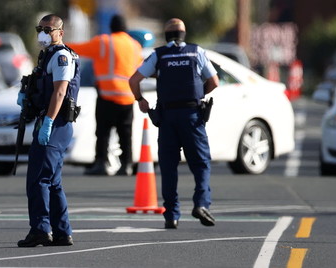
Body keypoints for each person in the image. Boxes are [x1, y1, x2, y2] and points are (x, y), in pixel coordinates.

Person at [128, 18, 219, 230]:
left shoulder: (159, 55)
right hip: (192, 116)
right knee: (201, 162)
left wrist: (140, 100)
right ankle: (201, 204)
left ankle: (171, 215)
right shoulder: (196, 52)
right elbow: (214, 81)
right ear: (183, 34)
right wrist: (198, 95)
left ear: (167, 35)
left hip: (167, 117)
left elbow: (133, 80)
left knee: (169, 168)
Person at [17, 14, 80, 248]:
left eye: (48, 29)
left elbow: (60, 92)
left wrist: (48, 122)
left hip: (56, 124)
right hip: (50, 123)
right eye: (40, 29)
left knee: (38, 179)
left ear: (60, 33)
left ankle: (41, 229)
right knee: (52, 181)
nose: (43, 33)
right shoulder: (47, 56)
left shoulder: (61, 56)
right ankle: (62, 232)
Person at [68, 14, 142, 176]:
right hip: (128, 97)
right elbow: (140, 68)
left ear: (111, 27)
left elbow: (78, 49)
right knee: (126, 133)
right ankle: (127, 165)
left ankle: (101, 163)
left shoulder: (103, 42)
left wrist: (59, 44)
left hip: (107, 95)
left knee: (103, 132)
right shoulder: (135, 45)